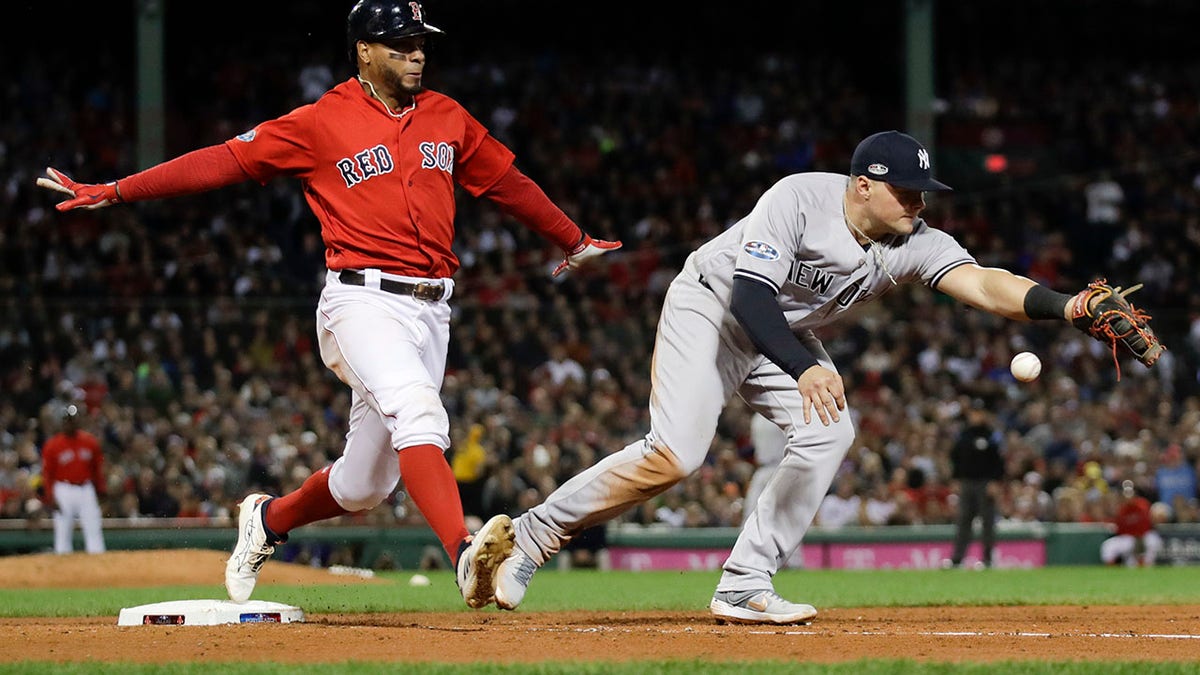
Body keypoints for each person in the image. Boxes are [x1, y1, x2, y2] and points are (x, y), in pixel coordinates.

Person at [36, 0, 619, 608]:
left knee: (364, 484)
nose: (417, 53)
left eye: (420, 42)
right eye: (400, 44)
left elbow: (506, 183)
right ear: (364, 50)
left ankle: (267, 522)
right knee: (419, 414)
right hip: (360, 302)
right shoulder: (321, 121)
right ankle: (464, 553)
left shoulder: (447, 117)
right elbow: (225, 160)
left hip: (431, 312)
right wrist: (119, 190)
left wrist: (572, 238)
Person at [477, 130, 1161, 625]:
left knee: (832, 431)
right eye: (904, 191)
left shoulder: (914, 241)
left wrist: (1065, 305)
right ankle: (533, 535)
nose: (916, 205)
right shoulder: (800, 198)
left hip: (781, 330)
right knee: (677, 454)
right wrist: (803, 366)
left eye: (923, 193)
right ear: (863, 184)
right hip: (713, 303)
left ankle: (745, 581)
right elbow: (750, 295)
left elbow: (984, 282)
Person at [942, 403, 1005, 569]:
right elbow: (955, 458)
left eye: (979, 412)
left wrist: (995, 481)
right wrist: (955, 478)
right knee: (963, 521)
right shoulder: (963, 435)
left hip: (985, 483)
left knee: (987, 522)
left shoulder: (991, 435)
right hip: (966, 483)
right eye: (973, 412)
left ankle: (987, 559)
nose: (975, 416)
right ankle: (957, 559)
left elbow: (998, 461)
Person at [40, 404, 107, 554]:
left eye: (72, 419)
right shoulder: (52, 445)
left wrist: (101, 490)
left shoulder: (90, 442)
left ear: (77, 421)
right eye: (66, 420)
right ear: (62, 422)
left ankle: (99, 566)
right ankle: (64, 571)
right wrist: (50, 496)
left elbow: (98, 470)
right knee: (63, 532)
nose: (69, 423)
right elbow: (47, 474)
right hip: (63, 489)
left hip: (86, 489)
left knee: (93, 528)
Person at [1100, 480, 1164, 567]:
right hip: (1128, 538)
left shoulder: (1143, 504)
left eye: (1130, 493)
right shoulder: (1121, 509)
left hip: (1143, 536)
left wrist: (1139, 536)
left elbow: (1148, 523)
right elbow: (1119, 529)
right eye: (1126, 493)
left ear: (1134, 493)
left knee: (1154, 541)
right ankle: (1111, 570)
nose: (1128, 496)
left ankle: (1146, 564)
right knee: (1108, 546)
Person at [742, 412, 787, 524]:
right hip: (764, 469)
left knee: (785, 517)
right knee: (749, 517)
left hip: (780, 467)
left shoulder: (783, 414)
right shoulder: (757, 418)